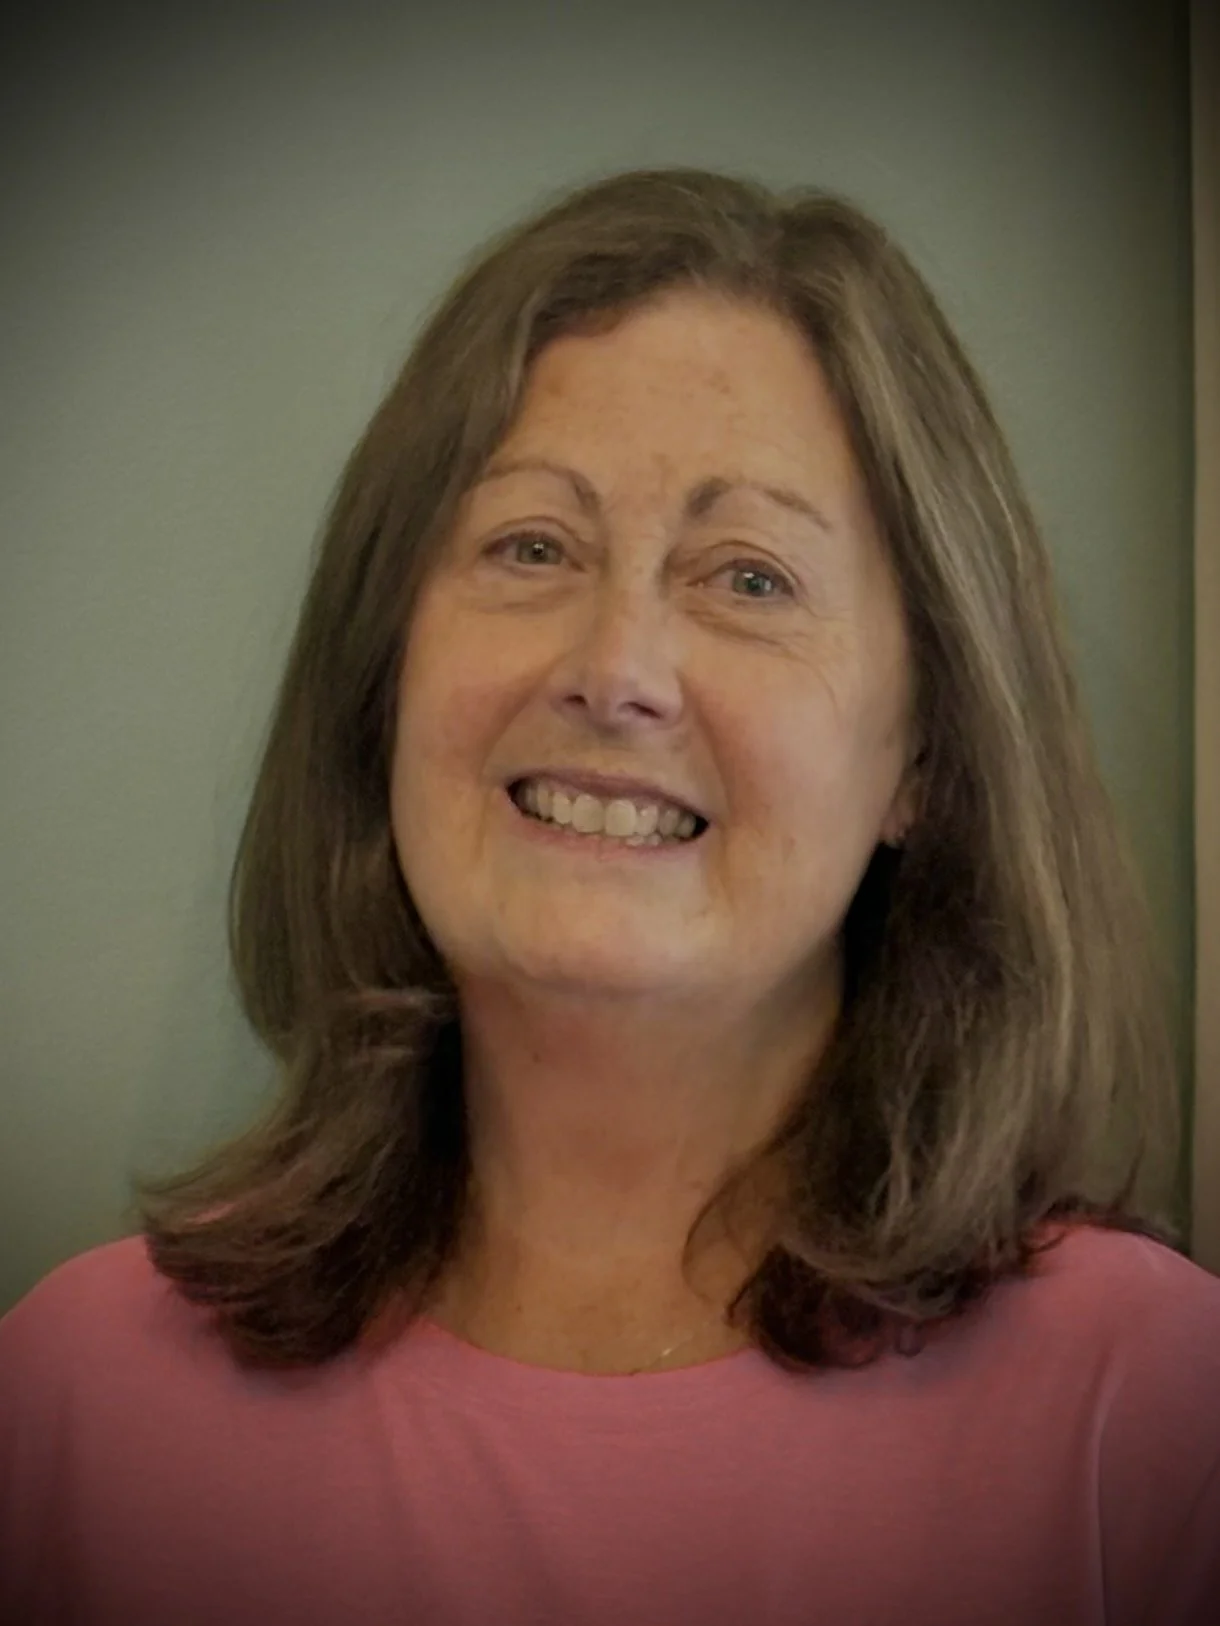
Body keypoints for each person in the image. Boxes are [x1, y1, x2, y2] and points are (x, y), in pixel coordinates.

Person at [1, 165, 1217, 1626]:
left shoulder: (1152, 1412)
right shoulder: (72, 1411)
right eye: (532, 545)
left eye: (749, 577)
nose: (617, 665)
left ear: (927, 757)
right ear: (384, 676)